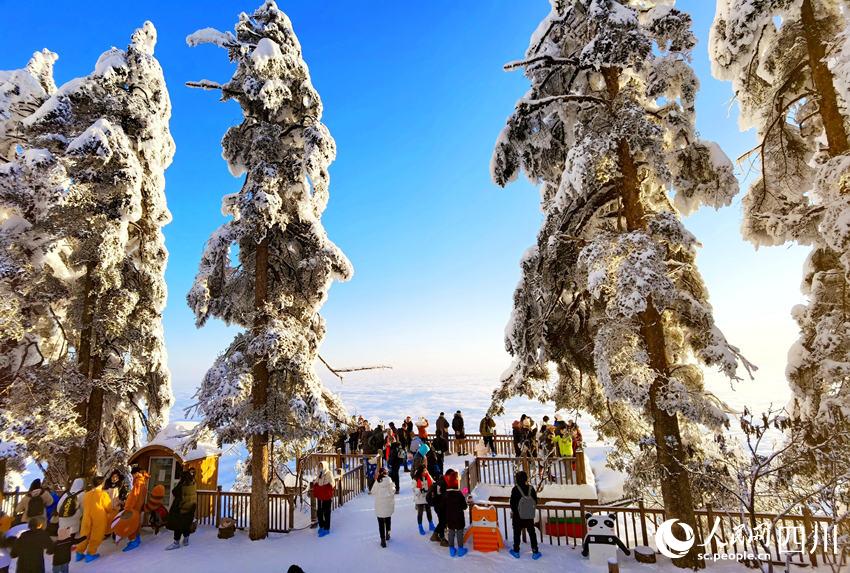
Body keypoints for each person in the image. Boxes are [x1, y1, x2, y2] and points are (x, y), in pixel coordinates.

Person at [75, 476, 111, 563]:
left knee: (84, 534)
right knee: (96, 535)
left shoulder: (87, 494)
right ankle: (90, 554)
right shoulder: (103, 494)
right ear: (102, 483)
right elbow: (108, 508)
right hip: (99, 518)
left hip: (86, 517)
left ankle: (79, 553)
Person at [509, 471, 541, 560]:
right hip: (529, 516)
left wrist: (516, 512)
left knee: (517, 533)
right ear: (526, 479)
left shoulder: (515, 489)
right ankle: (535, 551)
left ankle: (516, 551)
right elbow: (535, 501)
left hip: (518, 517)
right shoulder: (531, 488)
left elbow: (512, 503)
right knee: (532, 533)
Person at [115, 466, 148, 551]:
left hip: (134, 508)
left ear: (136, 473)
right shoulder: (143, 482)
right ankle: (137, 539)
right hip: (138, 507)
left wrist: (128, 507)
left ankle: (133, 541)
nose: (132, 476)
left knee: (131, 525)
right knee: (136, 524)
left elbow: (133, 497)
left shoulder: (138, 483)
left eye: (133, 475)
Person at [165, 468, 197, 550]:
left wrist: (180, 483)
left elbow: (175, 492)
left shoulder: (183, 485)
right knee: (186, 524)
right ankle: (186, 540)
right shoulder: (193, 483)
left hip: (181, 508)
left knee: (177, 525)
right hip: (190, 508)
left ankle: (176, 542)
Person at [442, 470, 468, 557]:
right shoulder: (459, 494)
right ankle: (460, 549)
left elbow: (444, 505)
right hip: (459, 517)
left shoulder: (446, 494)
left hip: (449, 516)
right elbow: (464, 506)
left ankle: (451, 549)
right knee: (459, 532)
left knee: (451, 532)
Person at [372, 467, 395, 548]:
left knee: (381, 523)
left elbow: (373, 491)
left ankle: (383, 540)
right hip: (388, 504)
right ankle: (388, 534)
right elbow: (393, 490)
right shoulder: (389, 480)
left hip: (379, 505)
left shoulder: (377, 481)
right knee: (388, 519)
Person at [311, 461, 335, 537]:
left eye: (322, 466)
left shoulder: (329, 473)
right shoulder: (319, 474)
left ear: (325, 466)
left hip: (326, 496)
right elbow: (316, 482)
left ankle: (327, 528)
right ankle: (321, 526)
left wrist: (325, 486)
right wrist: (316, 484)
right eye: (319, 466)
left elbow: (332, 484)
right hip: (320, 495)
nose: (320, 468)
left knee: (326, 512)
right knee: (319, 512)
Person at [427, 473, 449, 546]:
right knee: (442, 521)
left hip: (438, 505)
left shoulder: (440, 482)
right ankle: (441, 539)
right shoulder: (442, 483)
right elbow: (442, 495)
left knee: (442, 521)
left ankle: (435, 535)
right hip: (440, 505)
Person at [412, 466, 435, 535]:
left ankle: (431, 524)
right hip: (419, 498)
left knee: (429, 511)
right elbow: (413, 489)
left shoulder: (428, 475)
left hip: (427, 497)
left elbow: (433, 482)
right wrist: (419, 490)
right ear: (420, 471)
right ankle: (420, 526)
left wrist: (433, 487)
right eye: (424, 471)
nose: (425, 472)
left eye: (425, 470)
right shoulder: (415, 478)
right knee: (420, 513)